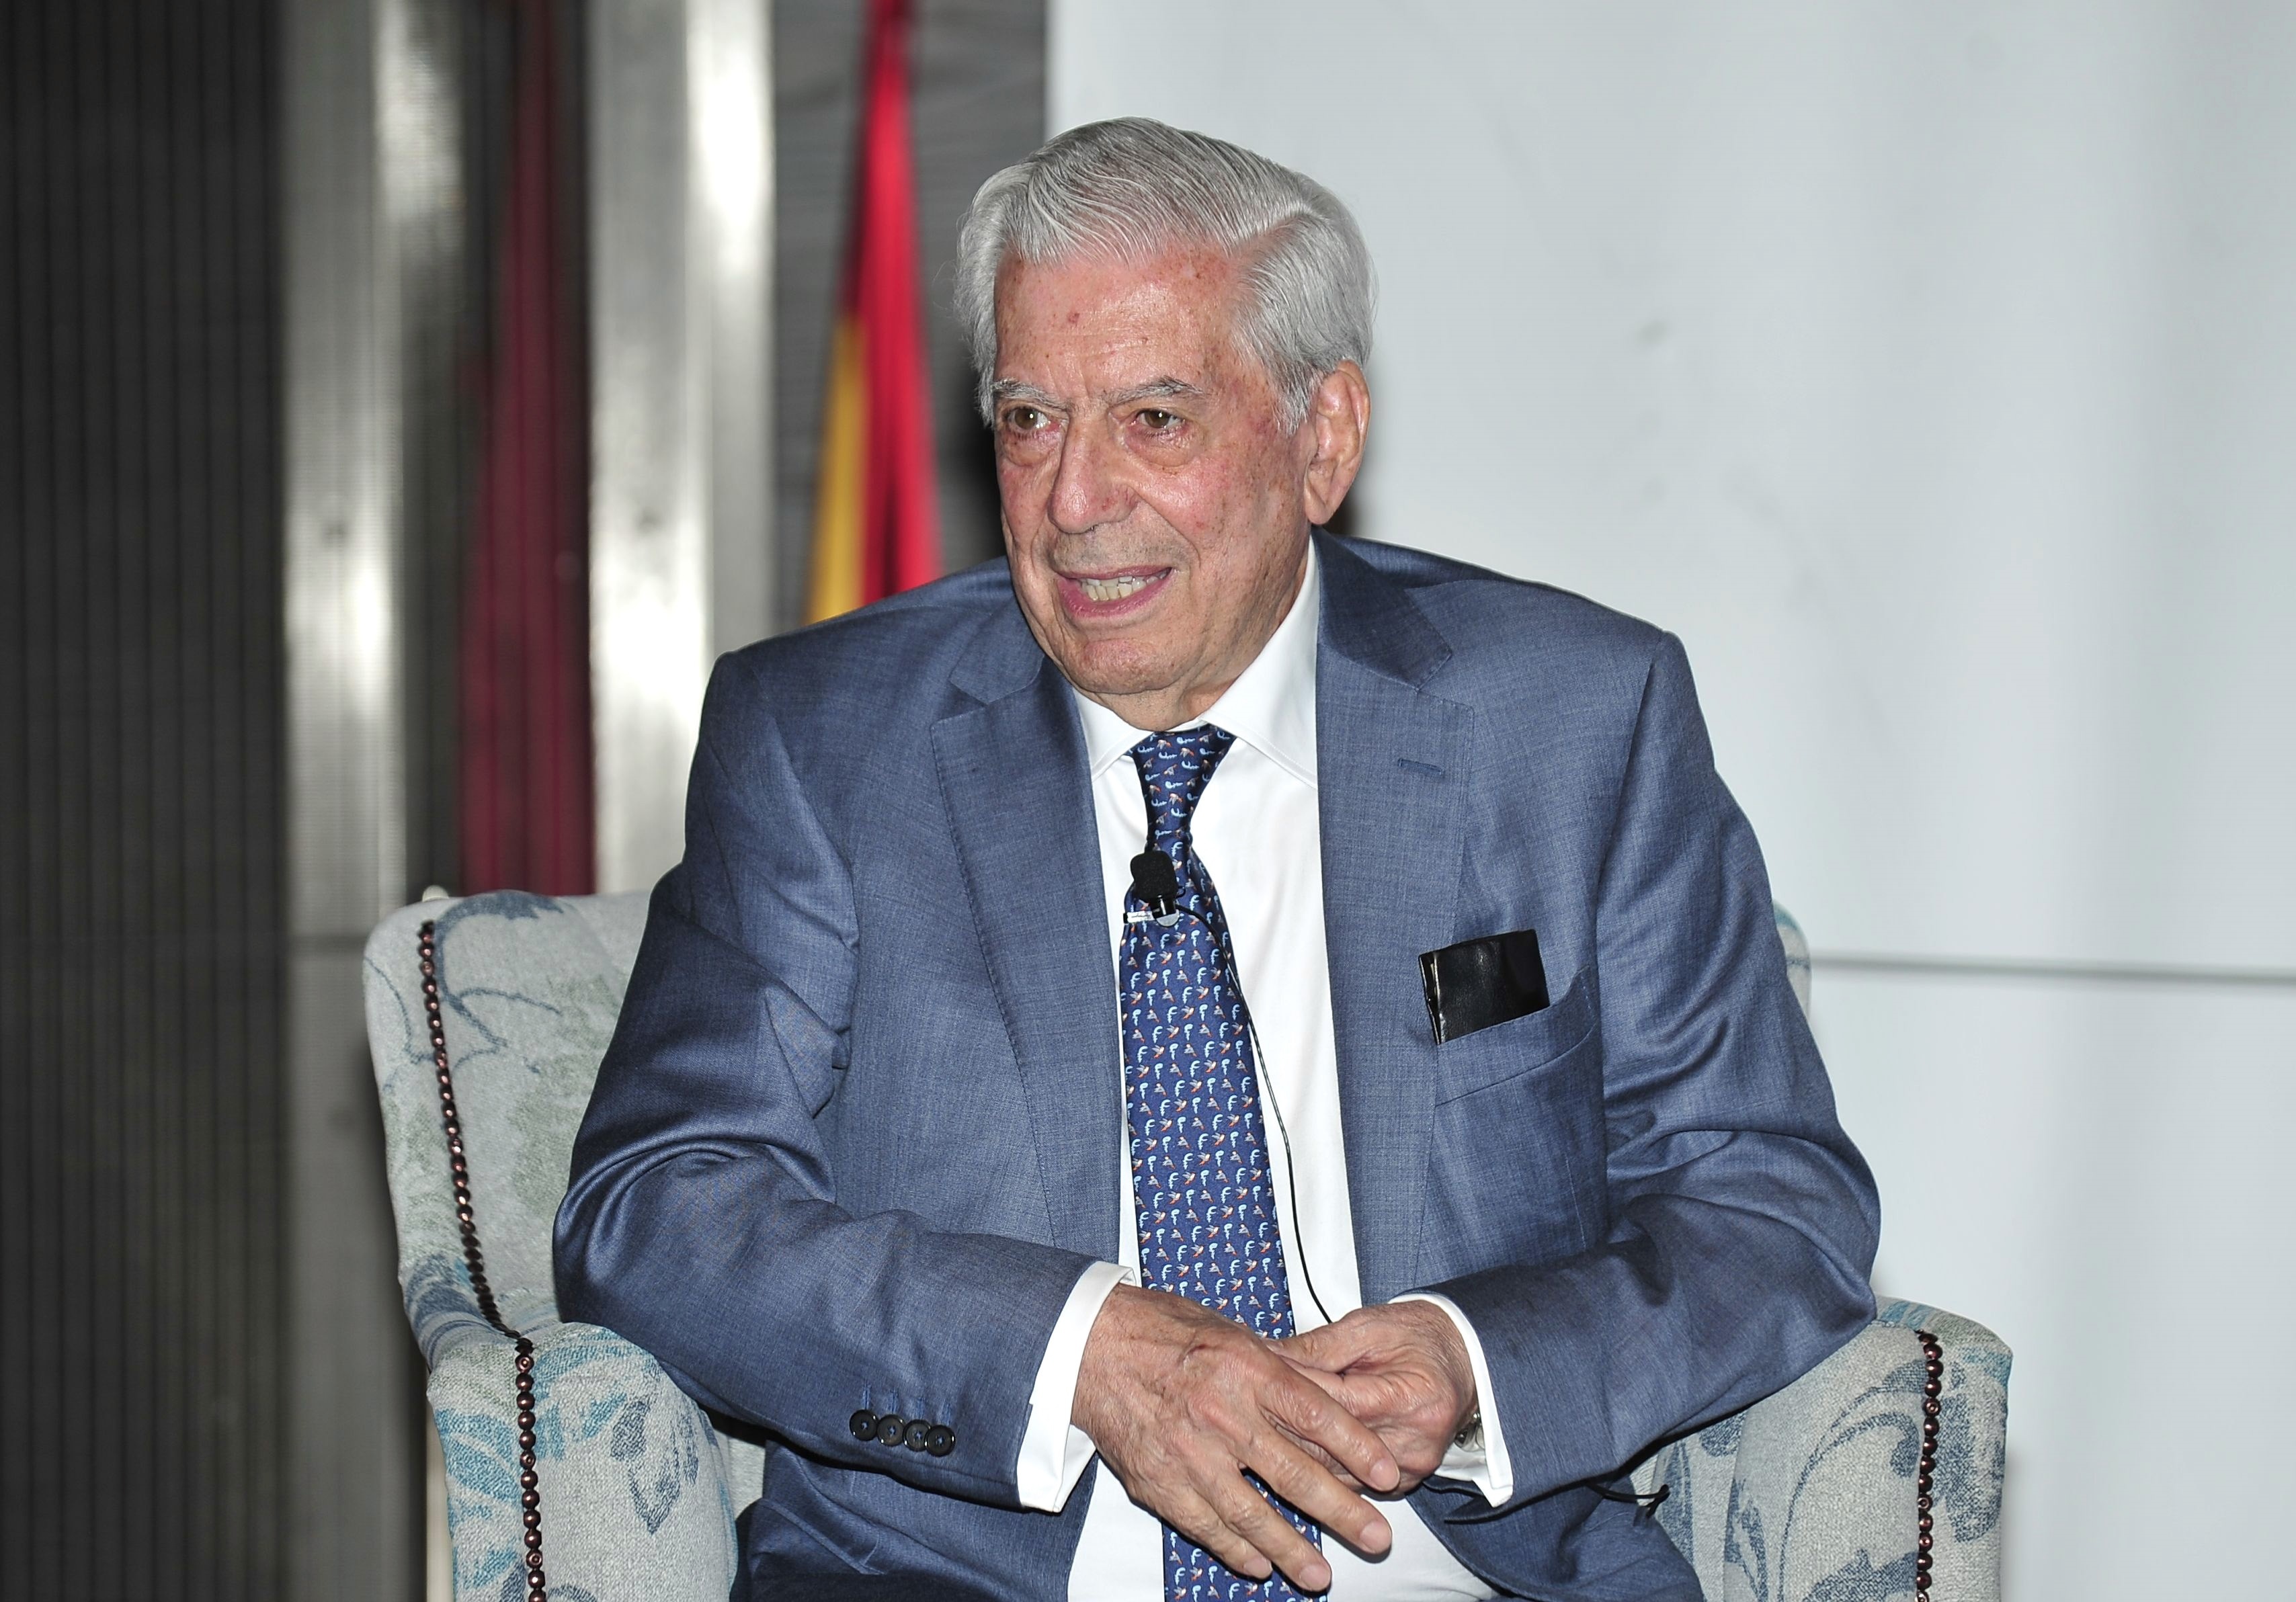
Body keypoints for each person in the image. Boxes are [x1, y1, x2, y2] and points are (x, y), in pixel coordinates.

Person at [555, 118, 1879, 1602]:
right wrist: (1073, 1350)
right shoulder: (824, 740)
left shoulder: (1571, 723)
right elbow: (657, 1204)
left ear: (1323, 439)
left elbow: (1770, 1201)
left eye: (1154, 420)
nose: (1073, 501)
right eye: (1029, 419)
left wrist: (1475, 1361)